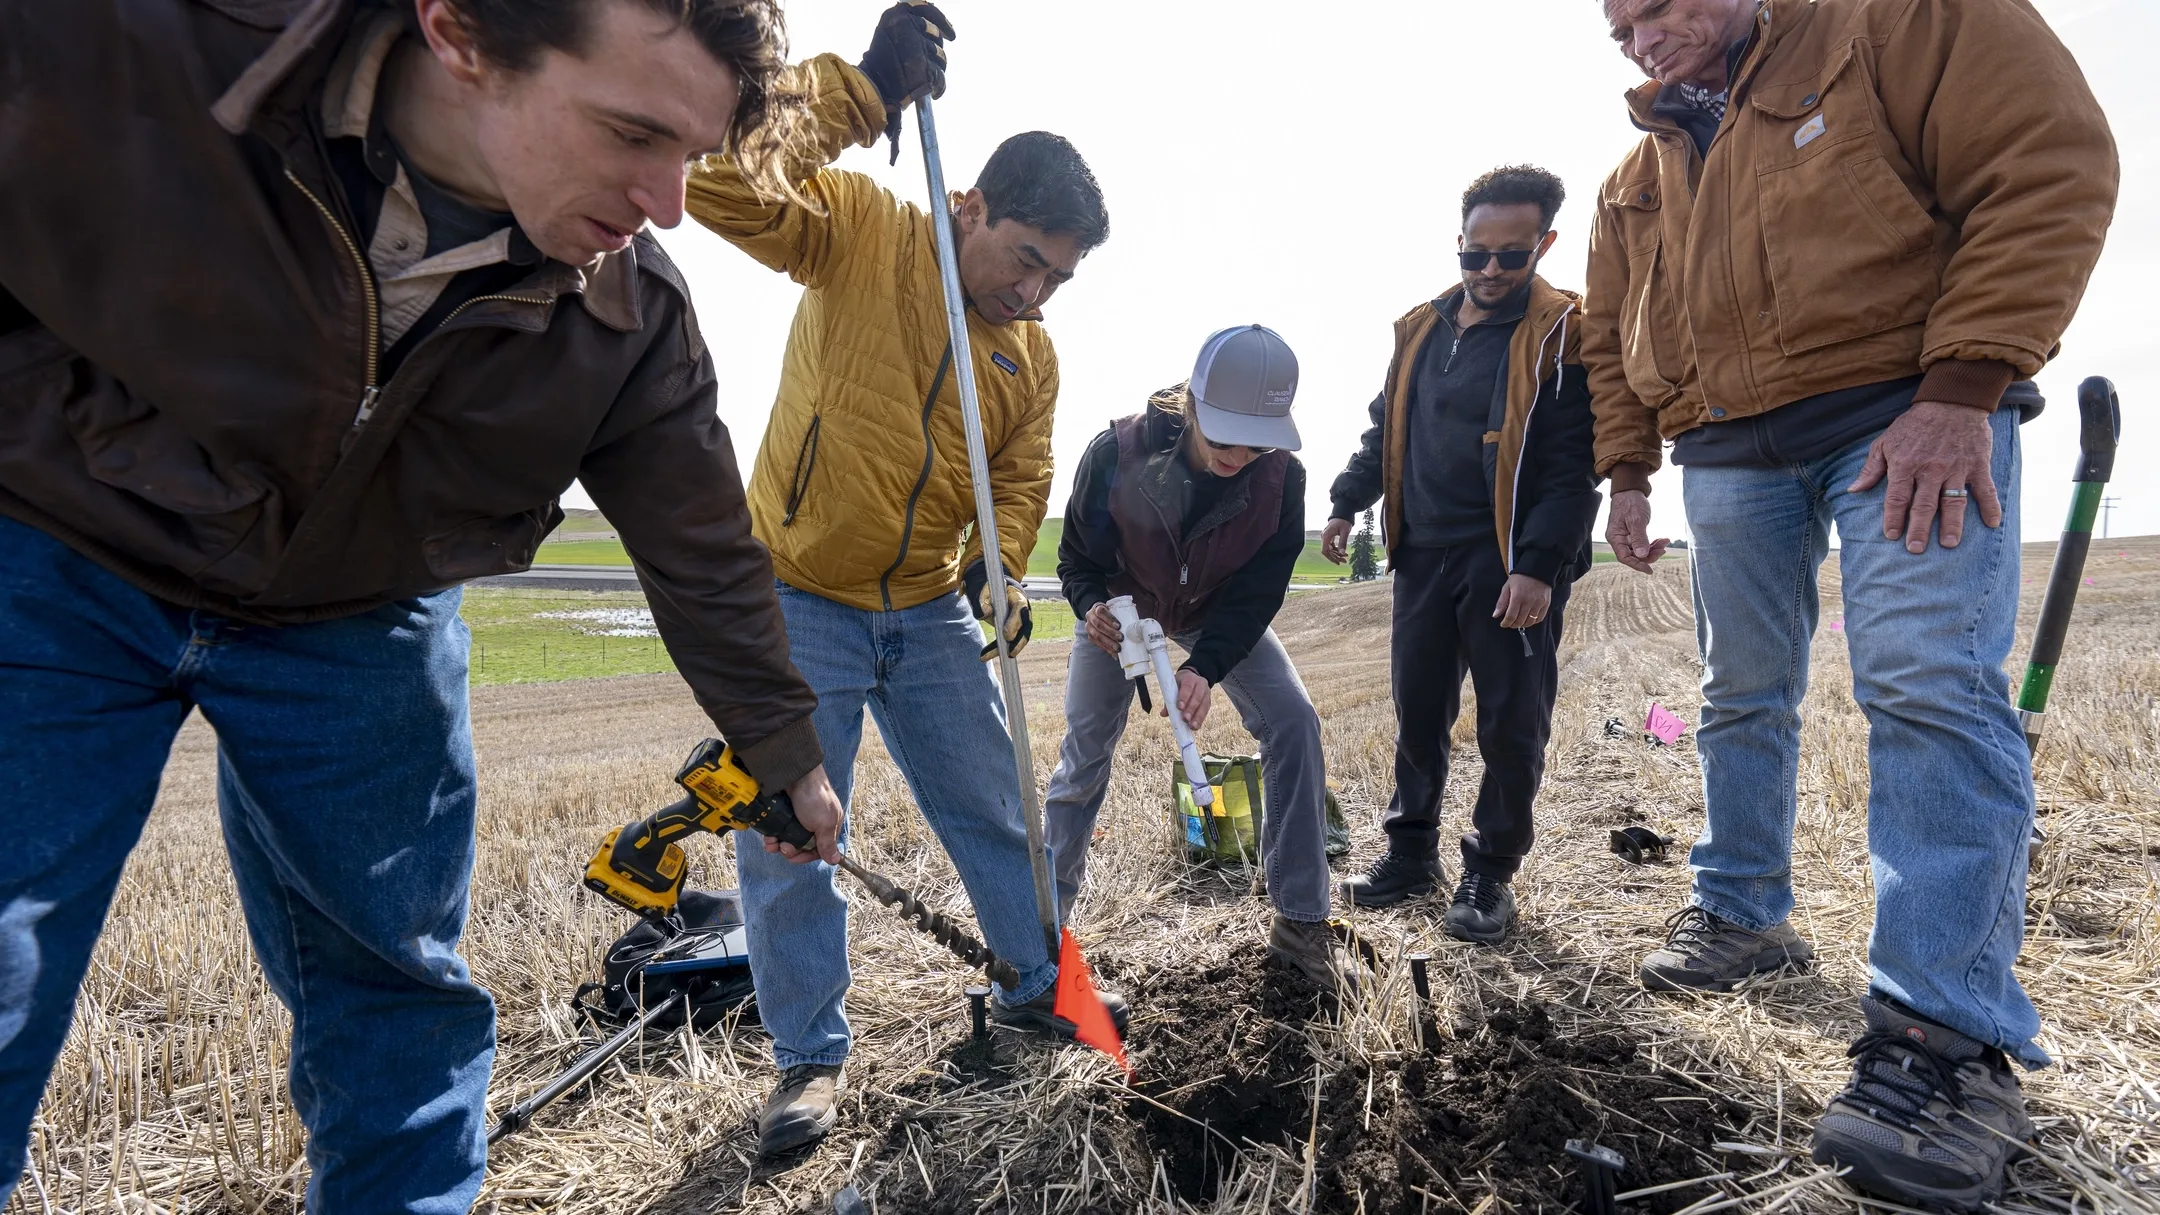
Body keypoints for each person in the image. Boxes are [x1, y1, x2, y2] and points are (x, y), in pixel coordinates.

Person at [0, 0, 842, 1208]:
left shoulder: (627, 319)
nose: (667, 202)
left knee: (399, 1003)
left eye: (691, 158)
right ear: (460, 34)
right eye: (631, 134)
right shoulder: (136, 53)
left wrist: (783, 752)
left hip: (358, 613)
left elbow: (704, 549)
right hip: (61, 550)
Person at [1585, 0, 2116, 1207]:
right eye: (1617, 28)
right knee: (1737, 693)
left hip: (1906, 412)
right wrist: (1627, 471)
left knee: (1926, 683)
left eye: (1657, 8)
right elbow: (1609, 335)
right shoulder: (1635, 172)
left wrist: (1966, 386)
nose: (1639, 41)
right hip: (1723, 449)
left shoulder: (1897, 20)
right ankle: (1741, 912)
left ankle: (1944, 1038)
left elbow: (2046, 161)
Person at [682, 2, 1118, 1157]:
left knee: (991, 807)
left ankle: (1037, 986)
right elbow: (720, 180)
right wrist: (864, 93)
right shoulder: (862, 230)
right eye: (1026, 258)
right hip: (799, 597)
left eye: (1059, 279)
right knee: (791, 846)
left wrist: (1000, 569)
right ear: (968, 204)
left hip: (925, 610)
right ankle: (810, 1062)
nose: (1036, 292)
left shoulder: (1030, 354)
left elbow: (1015, 480)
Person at [1322, 167, 1599, 946]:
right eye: (1475, 255)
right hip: (1423, 553)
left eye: (1511, 256)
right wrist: (1348, 499)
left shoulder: (1563, 333)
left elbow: (1577, 462)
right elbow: (1388, 428)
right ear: (1460, 245)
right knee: (1417, 712)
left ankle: (1491, 871)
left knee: (1512, 722)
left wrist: (1539, 565)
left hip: (1505, 558)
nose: (1489, 272)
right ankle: (1410, 852)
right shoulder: (1420, 327)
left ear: (1542, 246)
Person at [1046, 326, 1356, 991]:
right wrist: (1094, 607)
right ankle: (1043, 934)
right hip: (1122, 610)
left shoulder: (1281, 479)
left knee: (1295, 720)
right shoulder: (1115, 453)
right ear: (1193, 407)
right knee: (1083, 758)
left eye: (1257, 441)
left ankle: (1302, 919)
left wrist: (1205, 665)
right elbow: (1076, 560)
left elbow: (1258, 590)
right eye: (1224, 438)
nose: (1240, 454)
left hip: (1216, 610)